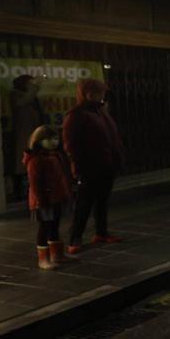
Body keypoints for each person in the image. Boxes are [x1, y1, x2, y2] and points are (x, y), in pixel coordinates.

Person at [63, 78, 123, 253]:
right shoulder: (76, 115)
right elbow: (71, 145)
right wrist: (78, 168)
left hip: (106, 165)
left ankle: (101, 232)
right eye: (100, 93)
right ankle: (75, 239)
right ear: (89, 94)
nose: (103, 96)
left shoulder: (100, 111)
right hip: (89, 168)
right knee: (84, 204)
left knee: (102, 202)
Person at [24, 125, 73, 270]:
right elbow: (35, 182)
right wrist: (42, 199)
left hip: (57, 197)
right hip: (44, 200)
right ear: (38, 140)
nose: (53, 142)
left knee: (54, 225)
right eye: (48, 139)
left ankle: (57, 255)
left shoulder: (56, 156)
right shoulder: (36, 160)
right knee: (44, 227)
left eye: (56, 138)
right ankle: (43, 258)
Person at [9, 74, 45, 198]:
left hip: (33, 134)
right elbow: (24, 101)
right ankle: (20, 191)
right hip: (23, 134)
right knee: (21, 163)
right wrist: (34, 87)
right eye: (29, 83)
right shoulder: (16, 95)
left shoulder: (33, 98)